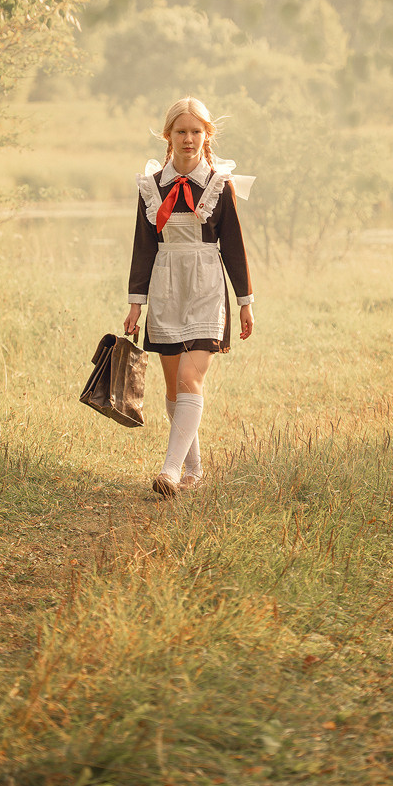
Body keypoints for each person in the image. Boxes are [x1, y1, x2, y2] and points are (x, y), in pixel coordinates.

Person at [124, 96, 254, 498]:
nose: (188, 138)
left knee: (189, 378)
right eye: (181, 131)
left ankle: (170, 470)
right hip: (165, 286)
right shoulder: (151, 186)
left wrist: (245, 301)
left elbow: (233, 246)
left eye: (196, 131)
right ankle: (194, 467)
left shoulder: (218, 184)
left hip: (206, 287)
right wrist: (135, 302)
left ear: (206, 135)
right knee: (172, 389)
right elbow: (144, 247)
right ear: (168, 136)